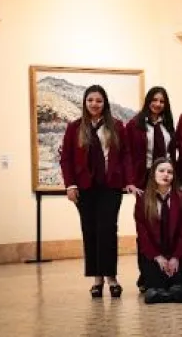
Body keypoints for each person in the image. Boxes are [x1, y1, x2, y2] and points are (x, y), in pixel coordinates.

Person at [60, 85, 136, 298]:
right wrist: (70, 185)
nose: (94, 104)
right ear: (85, 102)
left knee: (108, 231)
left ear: (105, 103)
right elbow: (66, 158)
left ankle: (111, 277)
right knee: (90, 231)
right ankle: (97, 279)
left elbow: (126, 156)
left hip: (110, 187)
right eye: (91, 100)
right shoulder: (74, 128)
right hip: (84, 188)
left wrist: (129, 181)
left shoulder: (117, 127)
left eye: (99, 100)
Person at [135, 158, 182, 304]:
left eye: (170, 172)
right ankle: (156, 288)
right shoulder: (143, 199)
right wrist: (157, 257)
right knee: (154, 286)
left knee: (177, 285)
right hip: (154, 253)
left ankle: (170, 291)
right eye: (162, 171)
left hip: (176, 252)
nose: (166, 175)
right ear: (153, 174)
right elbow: (143, 233)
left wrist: (176, 257)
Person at [126, 87, 177, 189]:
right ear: (148, 101)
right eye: (154, 100)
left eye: (162, 101)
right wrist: (129, 181)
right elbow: (128, 154)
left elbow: (172, 153)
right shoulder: (134, 124)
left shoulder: (167, 125)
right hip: (143, 177)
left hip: (165, 176)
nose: (158, 104)